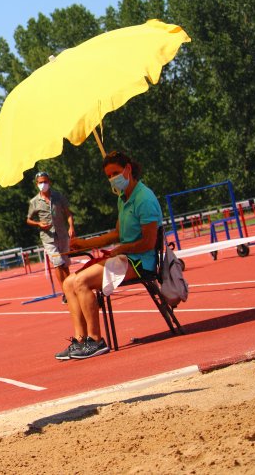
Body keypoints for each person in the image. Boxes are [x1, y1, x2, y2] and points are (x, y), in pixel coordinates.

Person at [59, 151, 163, 360]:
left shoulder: (144, 199)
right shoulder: (122, 199)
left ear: (128, 169)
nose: (112, 179)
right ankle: (80, 341)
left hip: (141, 262)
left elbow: (149, 242)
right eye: (108, 175)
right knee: (69, 283)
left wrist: (122, 249)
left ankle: (96, 341)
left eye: (115, 173)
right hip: (125, 259)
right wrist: (84, 244)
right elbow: (117, 234)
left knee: (81, 282)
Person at [26, 171, 75, 304]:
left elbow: (68, 214)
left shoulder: (58, 196)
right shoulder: (34, 201)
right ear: (37, 184)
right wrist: (38, 224)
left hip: (62, 234)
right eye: (41, 182)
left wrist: (71, 227)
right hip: (48, 237)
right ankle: (66, 291)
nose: (43, 184)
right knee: (58, 263)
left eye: (45, 181)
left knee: (65, 264)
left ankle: (70, 289)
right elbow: (28, 219)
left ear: (50, 182)